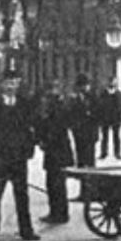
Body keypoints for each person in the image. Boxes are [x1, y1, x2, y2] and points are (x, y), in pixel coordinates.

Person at [0, 70, 40, 241]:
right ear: (2, 85)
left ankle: (26, 230)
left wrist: (28, 147)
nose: (11, 86)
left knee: (22, 195)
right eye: (8, 83)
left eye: (14, 83)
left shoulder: (25, 106)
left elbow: (32, 129)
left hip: (19, 158)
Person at [36, 79, 74, 224]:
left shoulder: (56, 107)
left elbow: (53, 128)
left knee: (55, 183)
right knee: (56, 183)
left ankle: (58, 214)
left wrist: (43, 140)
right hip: (59, 150)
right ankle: (59, 212)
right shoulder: (60, 105)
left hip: (56, 151)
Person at [65, 73, 99, 170]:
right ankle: (82, 173)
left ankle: (91, 174)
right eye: (83, 85)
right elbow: (70, 114)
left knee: (91, 155)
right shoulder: (74, 99)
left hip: (91, 131)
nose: (86, 87)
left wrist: (91, 115)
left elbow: (99, 112)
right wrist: (74, 126)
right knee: (80, 153)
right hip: (79, 131)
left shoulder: (93, 97)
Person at [95, 75, 121, 160]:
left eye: (113, 81)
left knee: (116, 136)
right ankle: (104, 152)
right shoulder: (103, 93)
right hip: (105, 118)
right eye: (110, 81)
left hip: (116, 118)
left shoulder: (118, 93)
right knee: (105, 136)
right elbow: (100, 105)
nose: (112, 83)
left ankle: (117, 153)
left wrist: (120, 114)